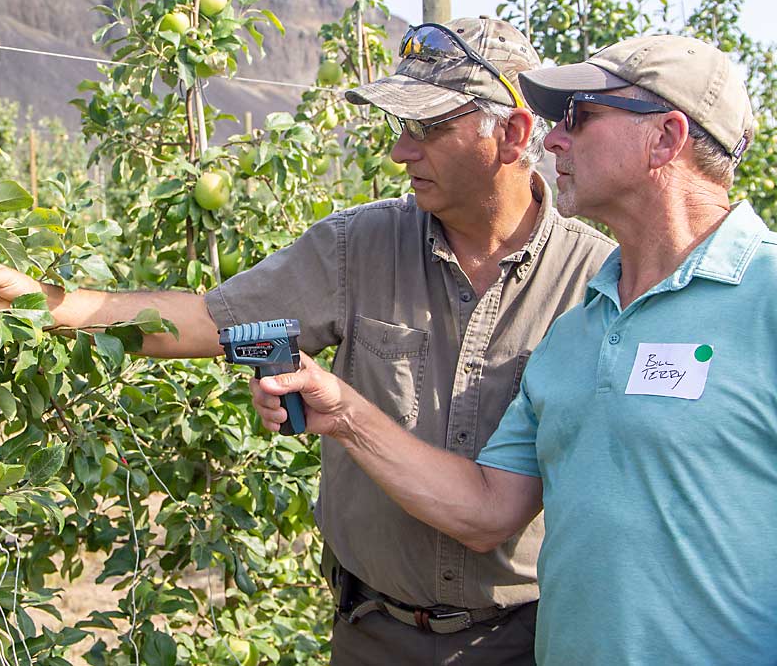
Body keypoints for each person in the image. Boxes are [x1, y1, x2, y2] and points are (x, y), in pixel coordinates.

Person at [0, 17, 615, 665]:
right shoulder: (359, 247)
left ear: (513, 134)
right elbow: (202, 321)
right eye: (400, 127)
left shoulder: (596, 284)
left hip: (526, 641)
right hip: (374, 633)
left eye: (427, 128)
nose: (400, 152)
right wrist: (43, 305)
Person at [252, 34, 774, 665]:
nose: (553, 141)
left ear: (664, 138)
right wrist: (344, 413)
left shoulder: (765, 302)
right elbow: (487, 507)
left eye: (580, 117)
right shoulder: (579, 326)